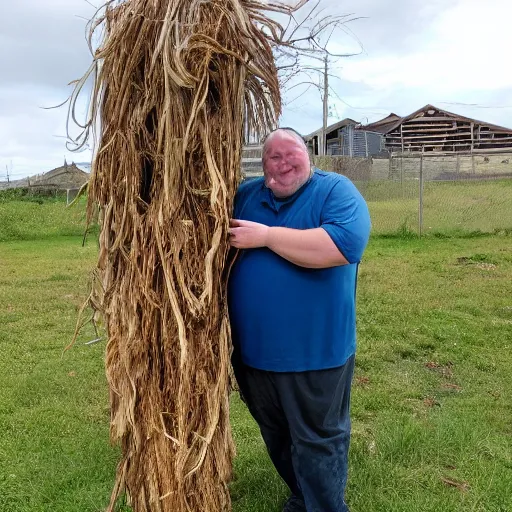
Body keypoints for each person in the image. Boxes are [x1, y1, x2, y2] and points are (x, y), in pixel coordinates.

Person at [228, 127, 371, 512]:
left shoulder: (334, 191)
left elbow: (343, 246)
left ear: (309, 156)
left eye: (291, 153)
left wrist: (267, 237)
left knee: (318, 438)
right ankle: (303, 495)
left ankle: (324, 506)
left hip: (316, 353)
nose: (283, 162)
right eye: (273, 156)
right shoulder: (247, 196)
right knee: (276, 433)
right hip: (254, 354)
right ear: (263, 164)